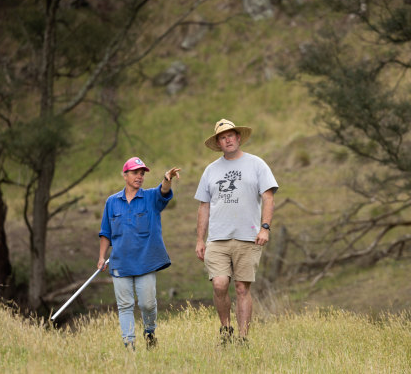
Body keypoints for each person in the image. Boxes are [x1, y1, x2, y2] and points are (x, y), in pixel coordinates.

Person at [194, 119, 278, 345]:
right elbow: (204, 205)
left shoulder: (257, 164)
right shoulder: (210, 170)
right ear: (218, 143)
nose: (228, 139)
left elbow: (268, 196)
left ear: (239, 138)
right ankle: (226, 329)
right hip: (218, 238)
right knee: (220, 284)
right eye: (223, 137)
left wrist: (265, 227)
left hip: (248, 237)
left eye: (231, 135)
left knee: (242, 287)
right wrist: (200, 240)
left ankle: (242, 337)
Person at [98, 157, 181, 351]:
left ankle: (150, 331)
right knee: (125, 305)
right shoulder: (112, 202)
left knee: (147, 304)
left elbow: (164, 192)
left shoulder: (151, 197)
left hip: (146, 262)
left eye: (142, 173)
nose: (139, 177)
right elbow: (105, 232)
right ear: (125, 175)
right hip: (120, 263)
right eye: (135, 172)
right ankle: (129, 345)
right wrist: (102, 257)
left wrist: (166, 179)